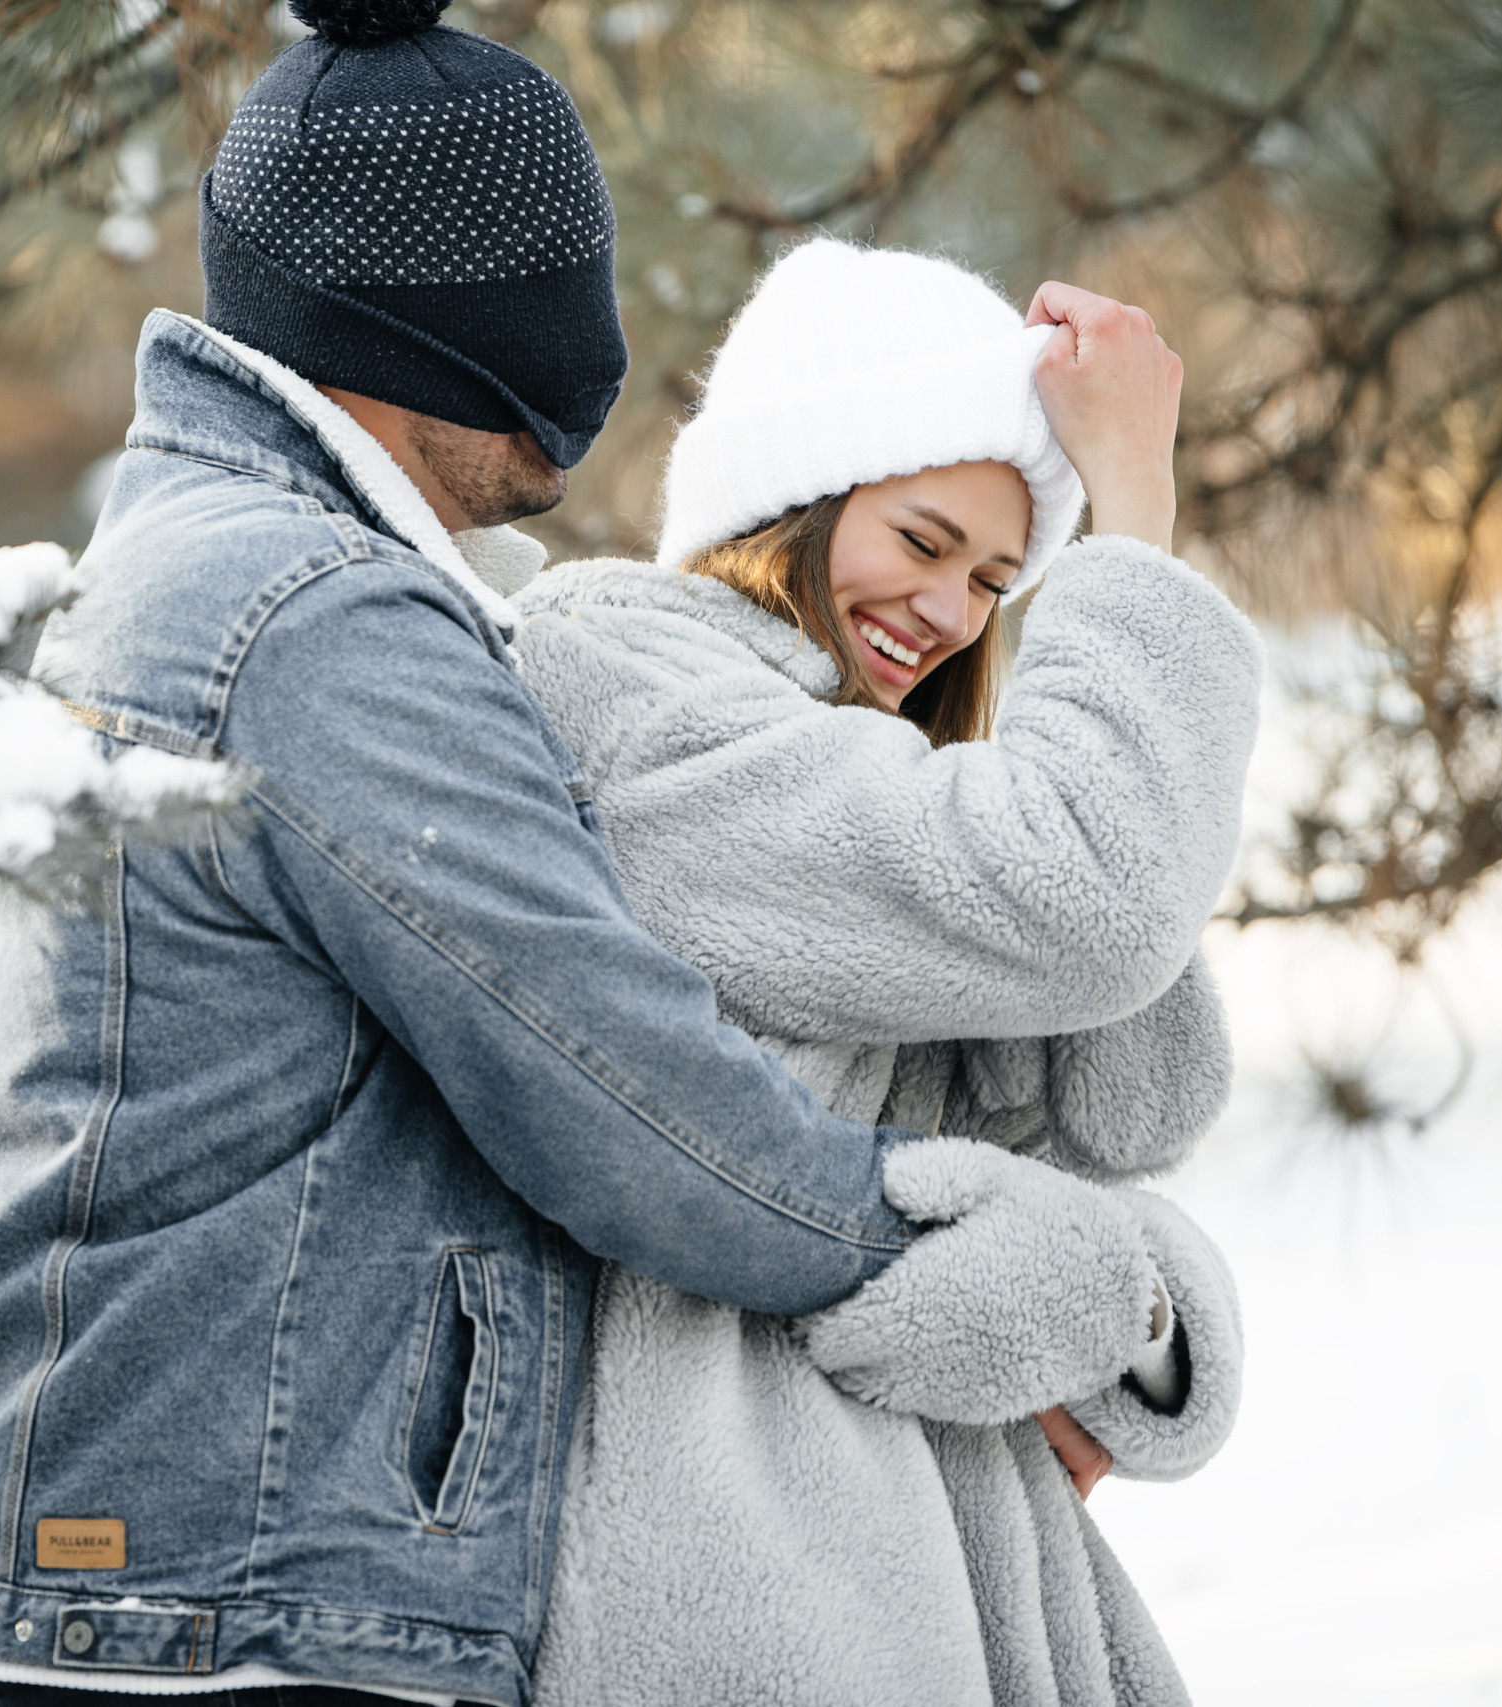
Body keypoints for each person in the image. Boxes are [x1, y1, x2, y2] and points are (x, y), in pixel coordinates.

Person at [0, 6, 1210, 1704]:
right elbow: (615, 1090)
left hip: (155, 1595)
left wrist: (1106, 1295)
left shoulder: (226, 571)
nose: (581, 421)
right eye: (554, 315)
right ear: (428, 315)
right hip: (195, 1619)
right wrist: (978, 1278)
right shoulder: (319, 623)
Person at [509, 240, 1262, 1706]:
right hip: (742, 1578)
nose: (954, 613)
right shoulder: (636, 700)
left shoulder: (878, 770)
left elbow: (1140, 1098)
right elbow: (1102, 905)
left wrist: (1133, 1308)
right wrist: (1137, 514)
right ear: (786, 502)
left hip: (924, 1550)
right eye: (920, 543)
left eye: (997, 577)